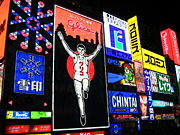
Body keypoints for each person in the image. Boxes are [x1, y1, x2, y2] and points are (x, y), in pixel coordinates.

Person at [57, 31, 102, 126]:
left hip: (85, 77)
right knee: (79, 96)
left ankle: (86, 90)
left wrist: (98, 49)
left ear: (84, 51)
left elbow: (94, 55)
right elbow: (67, 49)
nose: (80, 51)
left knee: (85, 84)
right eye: (79, 49)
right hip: (76, 78)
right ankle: (82, 114)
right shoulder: (75, 56)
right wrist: (62, 39)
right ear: (77, 49)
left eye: (82, 49)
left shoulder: (87, 58)